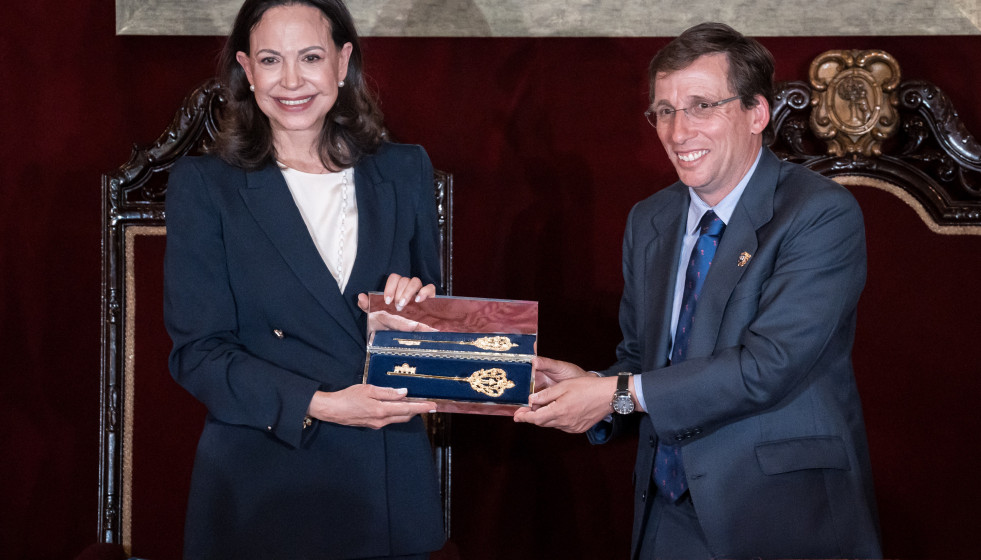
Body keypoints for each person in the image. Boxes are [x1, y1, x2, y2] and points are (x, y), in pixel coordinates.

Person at [514, 22, 881, 559]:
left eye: (701, 106)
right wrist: (593, 388)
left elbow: (767, 366)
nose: (678, 131)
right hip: (667, 516)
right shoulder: (650, 220)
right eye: (664, 110)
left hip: (780, 515)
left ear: (757, 113)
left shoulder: (819, 213)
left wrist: (617, 393)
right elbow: (643, 360)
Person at [163, 1, 445, 558]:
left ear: (343, 64)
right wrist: (321, 403)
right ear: (247, 70)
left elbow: (436, 335)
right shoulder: (204, 187)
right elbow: (197, 354)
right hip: (264, 485)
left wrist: (417, 315)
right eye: (271, 60)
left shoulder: (405, 169)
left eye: (311, 57)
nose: (292, 81)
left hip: (388, 484)